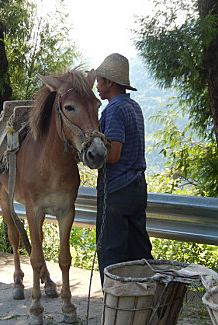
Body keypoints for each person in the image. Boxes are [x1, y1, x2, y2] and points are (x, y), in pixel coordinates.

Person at [94, 53, 153, 286]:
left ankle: (116, 306)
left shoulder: (114, 110)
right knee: (138, 249)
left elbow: (114, 153)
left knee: (111, 252)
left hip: (117, 191)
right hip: (137, 186)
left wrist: (91, 156)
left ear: (110, 82)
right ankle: (147, 299)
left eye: (99, 81)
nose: (97, 86)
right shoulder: (133, 107)